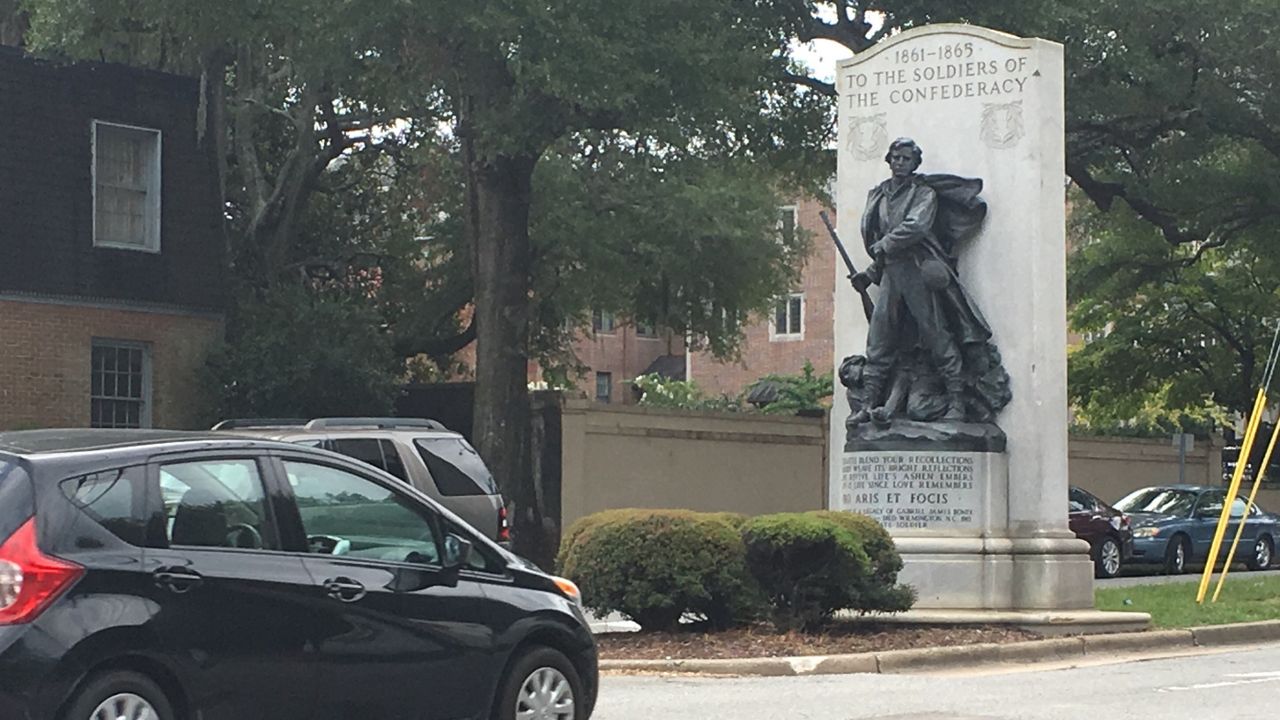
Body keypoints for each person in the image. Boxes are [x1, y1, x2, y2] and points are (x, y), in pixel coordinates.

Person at [848, 137, 997, 424]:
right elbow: (878, 242)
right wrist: (869, 274)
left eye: (906, 159)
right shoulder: (878, 195)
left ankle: (956, 401)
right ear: (889, 160)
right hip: (891, 273)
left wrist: (887, 244)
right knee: (879, 339)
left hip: (918, 271)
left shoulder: (923, 193)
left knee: (935, 335)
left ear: (915, 163)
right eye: (896, 158)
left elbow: (916, 227)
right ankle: (866, 404)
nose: (900, 163)